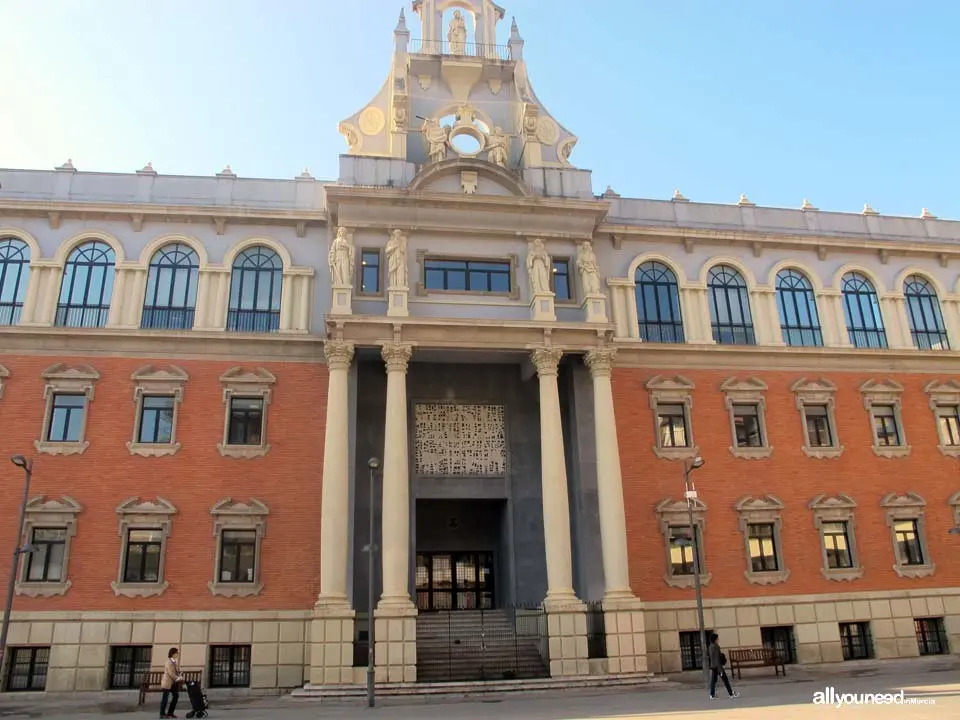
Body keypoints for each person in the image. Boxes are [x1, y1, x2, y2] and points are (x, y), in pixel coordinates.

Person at [707, 633, 740, 699]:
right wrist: (720, 669)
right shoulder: (716, 647)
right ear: (715, 639)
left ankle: (712, 695)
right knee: (725, 680)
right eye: (717, 638)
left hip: (713, 666)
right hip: (718, 667)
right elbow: (717, 658)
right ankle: (731, 694)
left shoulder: (710, 646)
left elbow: (712, 657)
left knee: (713, 681)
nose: (718, 640)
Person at [160, 647, 183, 718]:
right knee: (165, 699)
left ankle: (170, 713)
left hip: (173, 683)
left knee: (175, 696)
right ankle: (162, 714)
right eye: (177, 653)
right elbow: (171, 673)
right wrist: (178, 678)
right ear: (173, 654)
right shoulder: (169, 662)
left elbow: (174, 672)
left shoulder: (174, 662)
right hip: (167, 683)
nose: (178, 654)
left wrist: (179, 675)